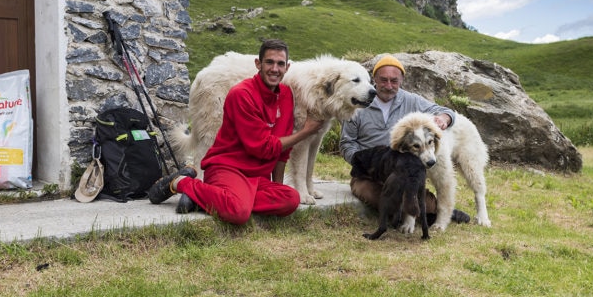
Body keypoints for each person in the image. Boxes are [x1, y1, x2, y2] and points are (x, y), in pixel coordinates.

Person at [148, 39, 324, 224]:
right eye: (269, 62)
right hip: (227, 168)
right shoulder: (242, 94)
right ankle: (181, 183)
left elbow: (282, 151)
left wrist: (275, 187)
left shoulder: (286, 95)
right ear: (258, 64)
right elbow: (263, 148)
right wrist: (306, 131)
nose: (275, 69)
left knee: (290, 200)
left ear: (287, 67)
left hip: (257, 177)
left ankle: (209, 199)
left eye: (280, 64)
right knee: (238, 213)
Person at [340, 54, 470, 223]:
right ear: (374, 79)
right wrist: (363, 162)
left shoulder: (411, 100)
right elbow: (346, 142)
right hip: (368, 175)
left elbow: (446, 112)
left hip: (404, 173)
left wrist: (444, 118)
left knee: (421, 203)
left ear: (401, 80)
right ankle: (411, 214)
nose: (388, 86)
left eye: (394, 81)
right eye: (383, 80)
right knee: (376, 195)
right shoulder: (358, 102)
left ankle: (435, 211)